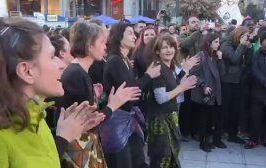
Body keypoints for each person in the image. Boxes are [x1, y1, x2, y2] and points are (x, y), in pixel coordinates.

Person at [0, 17, 106, 168]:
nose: (61, 64)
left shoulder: (35, 118)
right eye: (53, 56)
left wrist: (63, 135)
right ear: (27, 71)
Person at [56, 21, 142, 168]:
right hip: (79, 150)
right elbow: (89, 123)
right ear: (89, 46)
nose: (105, 46)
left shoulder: (79, 72)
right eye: (102, 42)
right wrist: (113, 105)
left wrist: (96, 97)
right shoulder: (77, 74)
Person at [101, 23, 161, 168]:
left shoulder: (125, 60)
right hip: (117, 121)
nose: (134, 36)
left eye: (134, 33)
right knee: (125, 162)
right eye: (130, 33)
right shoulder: (115, 60)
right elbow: (131, 92)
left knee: (137, 159)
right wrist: (148, 75)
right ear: (119, 37)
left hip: (127, 118)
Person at [144, 35, 197, 168]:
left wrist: (185, 70)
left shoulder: (169, 67)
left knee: (173, 152)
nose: (169, 50)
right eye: (164, 47)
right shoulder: (158, 69)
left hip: (169, 116)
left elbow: (173, 86)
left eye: (171, 46)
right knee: (163, 156)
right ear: (157, 51)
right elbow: (161, 98)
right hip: (159, 120)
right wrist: (182, 87)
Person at [190, 33, 227, 152]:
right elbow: (193, 73)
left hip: (216, 92)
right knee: (204, 119)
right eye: (216, 42)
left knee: (212, 118)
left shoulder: (215, 56)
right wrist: (203, 86)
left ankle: (210, 140)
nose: (218, 44)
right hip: (205, 92)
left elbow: (222, 74)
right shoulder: (200, 56)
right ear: (208, 43)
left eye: (218, 42)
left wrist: (220, 59)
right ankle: (202, 142)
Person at [220, 26, 253, 144]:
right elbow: (234, 58)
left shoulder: (242, 45)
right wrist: (242, 45)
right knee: (224, 109)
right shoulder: (226, 44)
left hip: (238, 81)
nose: (246, 38)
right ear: (239, 35)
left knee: (235, 110)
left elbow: (248, 62)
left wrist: (249, 49)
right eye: (245, 36)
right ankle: (218, 135)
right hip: (227, 80)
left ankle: (232, 135)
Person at [244, 31, 266, 149]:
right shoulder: (257, 54)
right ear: (261, 41)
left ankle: (264, 138)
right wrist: (264, 81)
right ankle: (253, 140)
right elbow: (254, 69)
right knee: (256, 116)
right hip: (258, 91)